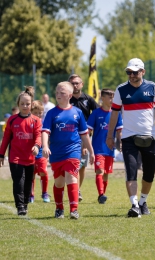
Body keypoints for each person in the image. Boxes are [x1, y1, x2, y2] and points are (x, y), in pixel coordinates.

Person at [106, 58, 155, 218]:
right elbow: (114, 114)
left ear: (143, 72)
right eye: (129, 72)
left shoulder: (152, 87)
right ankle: (134, 205)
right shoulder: (121, 90)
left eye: (135, 72)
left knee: (149, 174)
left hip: (150, 136)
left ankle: (143, 202)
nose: (132, 75)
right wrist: (110, 135)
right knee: (131, 171)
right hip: (128, 137)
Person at [42, 81, 94, 219]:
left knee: (71, 177)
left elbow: (84, 134)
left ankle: (74, 209)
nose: (58, 95)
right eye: (57, 92)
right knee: (59, 182)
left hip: (73, 150)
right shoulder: (51, 113)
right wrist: (45, 146)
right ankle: (59, 208)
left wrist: (91, 151)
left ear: (70, 95)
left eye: (62, 93)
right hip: (56, 152)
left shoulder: (77, 113)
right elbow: (45, 131)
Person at [0, 86, 41, 215]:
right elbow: (6, 138)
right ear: (18, 104)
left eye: (27, 104)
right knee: (19, 181)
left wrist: (37, 146)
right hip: (15, 157)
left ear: (31, 104)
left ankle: (25, 204)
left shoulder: (36, 120)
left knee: (28, 182)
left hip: (29, 158)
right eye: (22, 104)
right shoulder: (12, 120)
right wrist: (1, 154)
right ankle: (20, 206)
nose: (25, 106)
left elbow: (38, 136)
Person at [87, 89, 123, 204]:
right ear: (102, 98)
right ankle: (101, 194)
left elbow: (119, 131)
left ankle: (102, 196)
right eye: (110, 97)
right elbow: (88, 131)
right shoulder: (96, 113)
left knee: (106, 174)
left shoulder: (116, 113)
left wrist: (121, 142)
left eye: (113, 97)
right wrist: (85, 146)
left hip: (110, 149)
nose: (112, 100)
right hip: (98, 148)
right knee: (100, 171)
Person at [68, 74, 100, 202]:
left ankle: (77, 189)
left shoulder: (88, 99)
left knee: (82, 165)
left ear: (82, 84)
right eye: (72, 83)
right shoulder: (67, 99)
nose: (75, 85)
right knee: (70, 163)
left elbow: (98, 113)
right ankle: (72, 187)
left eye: (77, 83)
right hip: (69, 135)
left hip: (85, 136)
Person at [29, 100, 50, 203]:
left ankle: (45, 193)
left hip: (41, 152)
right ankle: (31, 194)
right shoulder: (28, 122)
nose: (38, 115)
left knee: (43, 171)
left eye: (40, 113)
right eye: (35, 112)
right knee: (31, 174)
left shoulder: (44, 123)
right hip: (30, 153)